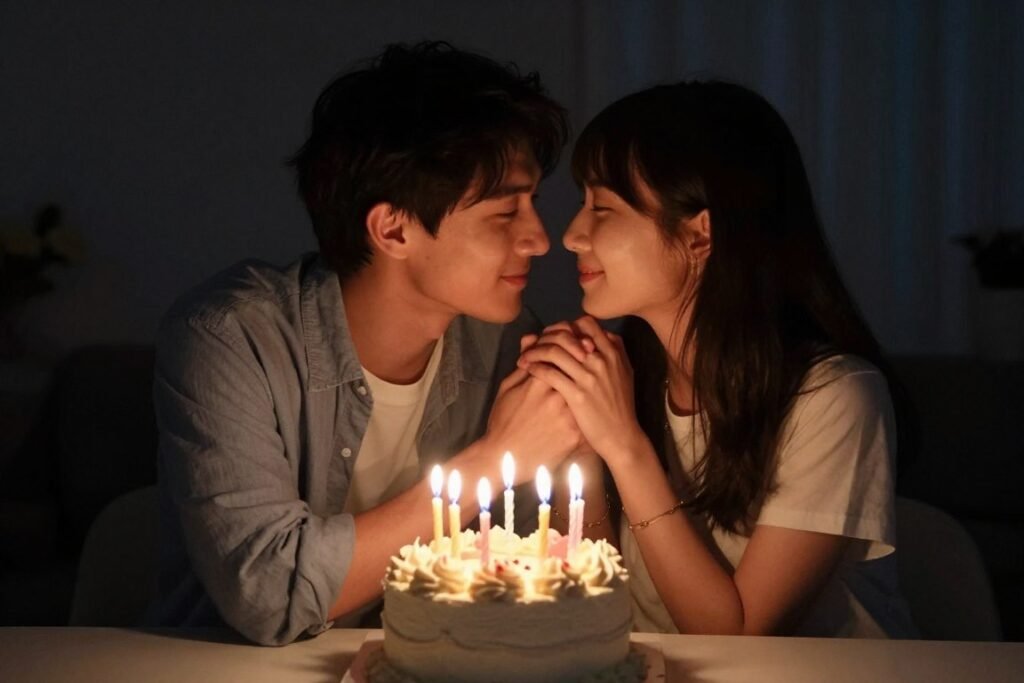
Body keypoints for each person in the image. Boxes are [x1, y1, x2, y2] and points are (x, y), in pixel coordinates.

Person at [147, 42, 580, 645]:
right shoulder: (229, 340)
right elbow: (270, 595)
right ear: (393, 228)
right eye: (505, 214)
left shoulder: (502, 337)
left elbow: (527, 561)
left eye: (533, 204)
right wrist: (492, 459)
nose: (540, 239)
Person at [519, 81, 918, 637]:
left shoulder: (834, 396)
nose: (572, 235)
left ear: (700, 234)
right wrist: (581, 451)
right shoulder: (628, 374)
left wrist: (624, 445)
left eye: (603, 208)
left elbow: (741, 637)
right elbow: (586, 603)